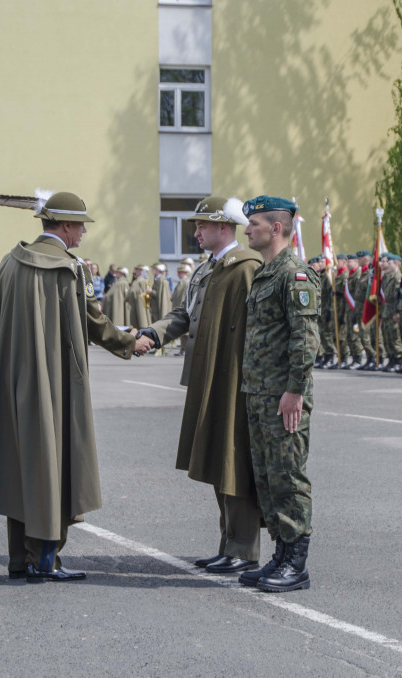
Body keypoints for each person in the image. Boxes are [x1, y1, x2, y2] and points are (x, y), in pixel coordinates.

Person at [0, 190, 153, 583]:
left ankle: (20, 559)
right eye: (80, 226)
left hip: (11, 379)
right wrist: (129, 342)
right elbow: (94, 322)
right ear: (65, 225)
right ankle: (45, 559)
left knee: (19, 467)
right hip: (53, 382)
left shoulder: (10, 262)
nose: (83, 233)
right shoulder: (69, 268)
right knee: (55, 464)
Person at [137, 196, 263, 575]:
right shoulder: (210, 268)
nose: (196, 232)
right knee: (215, 457)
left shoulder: (245, 267)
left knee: (232, 458)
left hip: (231, 377)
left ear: (224, 227)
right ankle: (228, 543)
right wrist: (151, 335)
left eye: (202, 226)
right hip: (208, 375)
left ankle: (243, 548)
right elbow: (184, 314)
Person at [238, 195, 319, 594]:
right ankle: (281, 553)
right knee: (268, 479)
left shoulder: (295, 274)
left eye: (253, 223)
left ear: (276, 228)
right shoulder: (265, 273)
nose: (247, 229)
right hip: (258, 393)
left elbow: (305, 340)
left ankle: (297, 564)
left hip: (282, 397)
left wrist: (294, 392)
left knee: (288, 477)